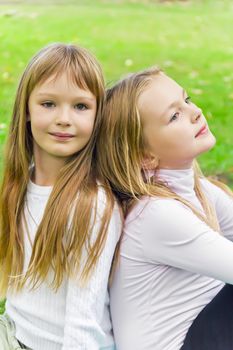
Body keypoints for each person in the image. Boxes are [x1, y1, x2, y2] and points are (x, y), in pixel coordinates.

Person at [96, 67, 233, 350]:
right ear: (146, 156)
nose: (194, 112)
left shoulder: (200, 189)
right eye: (174, 116)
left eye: (188, 100)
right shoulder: (154, 215)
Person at [0, 43, 122, 350]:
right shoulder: (20, 183)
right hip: (14, 334)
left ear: (98, 116)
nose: (64, 118)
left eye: (81, 106)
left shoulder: (90, 204)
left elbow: (85, 321)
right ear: (26, 110)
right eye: (48, 104)